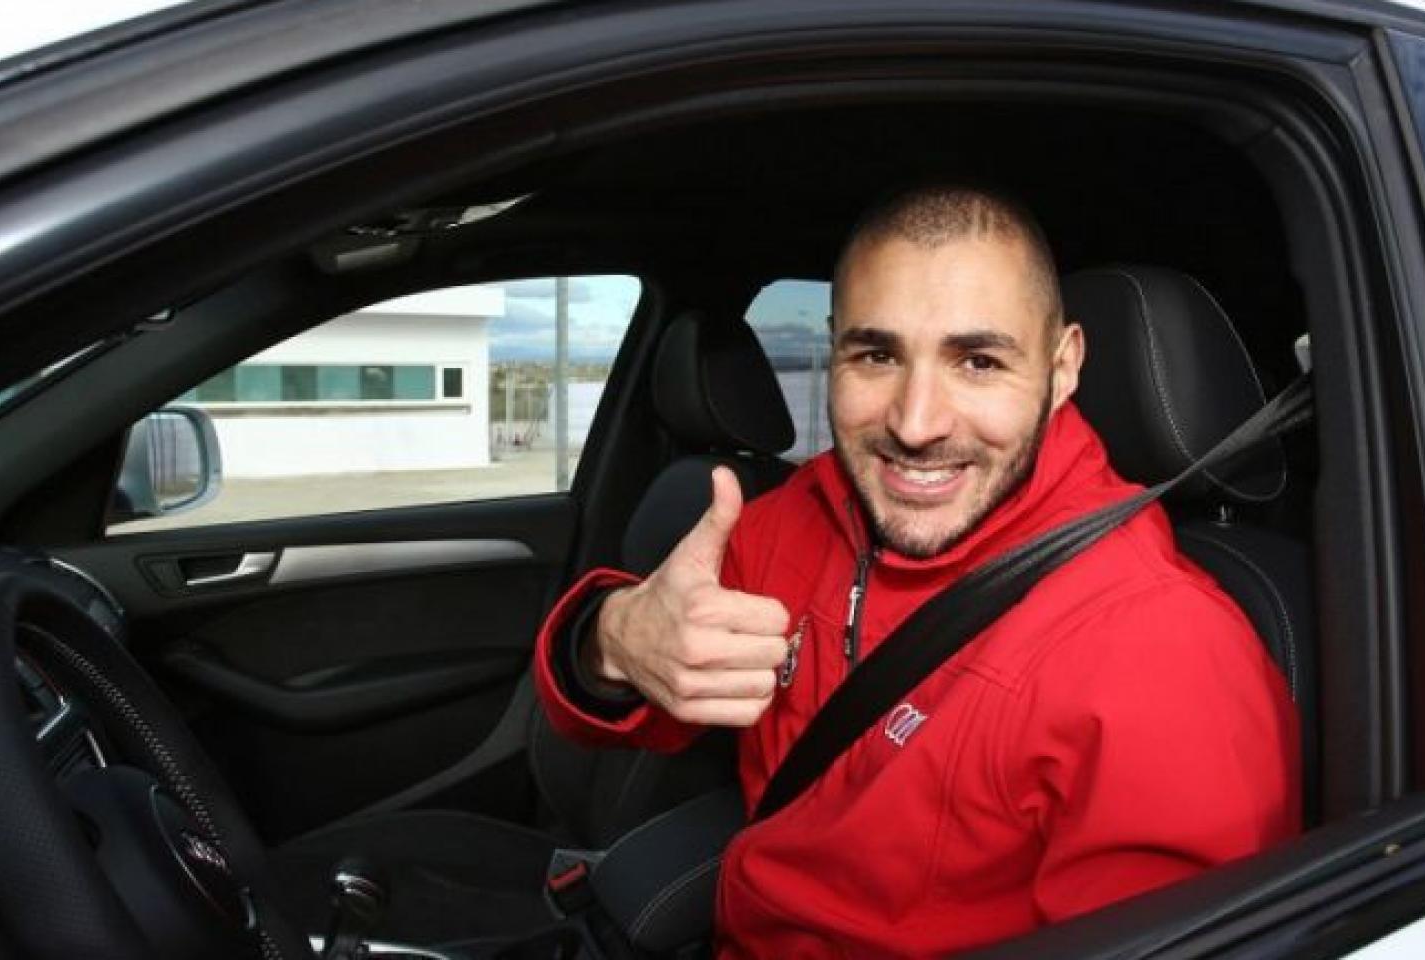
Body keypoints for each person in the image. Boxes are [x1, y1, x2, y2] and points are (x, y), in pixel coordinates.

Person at [533, 186, 1301, 957]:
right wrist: (612, 641)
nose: (915, 422)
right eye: (876, 355)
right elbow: (636, 704)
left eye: (977, 361)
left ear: (1063, 368)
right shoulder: (795, 514)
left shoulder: (1161, 653)